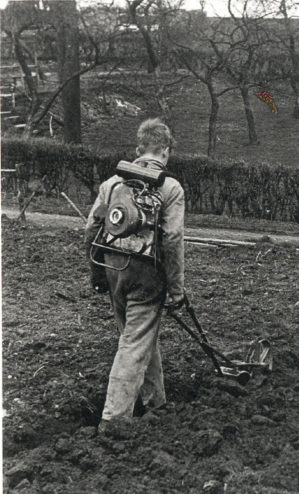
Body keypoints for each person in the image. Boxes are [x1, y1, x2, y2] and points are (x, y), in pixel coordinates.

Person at [85, 118, 185, 432]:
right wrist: (177, 287)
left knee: (137, 337)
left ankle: (156, 403)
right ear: (166, 152)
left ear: (139, 149)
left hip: (114, 268)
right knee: (134, 342)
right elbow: (171, 239)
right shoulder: (169, 187)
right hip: (147, 274)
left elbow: (91, 229)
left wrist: (96, 272)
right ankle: (114, 418)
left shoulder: (113, 183)